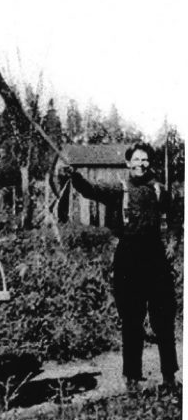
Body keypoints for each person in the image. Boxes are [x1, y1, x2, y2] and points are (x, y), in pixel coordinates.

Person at [61, 144, 178, 390]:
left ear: (149, 163)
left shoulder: (160, 190)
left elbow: (177, 217)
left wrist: (173, 243)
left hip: (156, 257)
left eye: (144, 160)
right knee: (132, 320)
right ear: (128, 163)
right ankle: (132, 379)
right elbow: (91, 190)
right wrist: (75, 176)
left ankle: (169, 376)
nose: (141, 164)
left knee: (163, 319)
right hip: (129, 258)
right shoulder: (119, 188)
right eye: (136, 160)